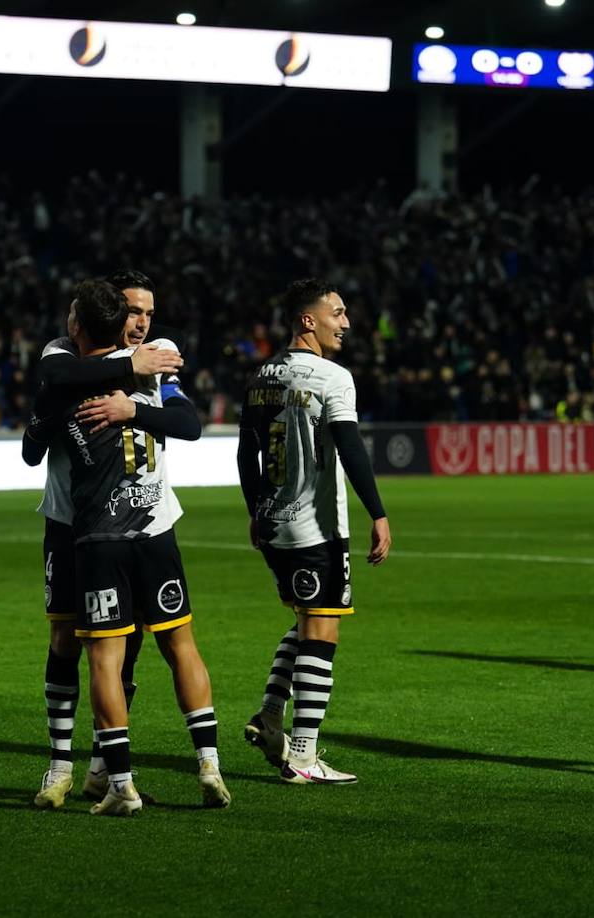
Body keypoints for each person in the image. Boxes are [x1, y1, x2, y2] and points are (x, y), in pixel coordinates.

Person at [31, 279, 228, 816]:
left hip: (127, 526)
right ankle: (61, 765)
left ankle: (106, 769)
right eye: (133, 311)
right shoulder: (64, 353)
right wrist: (130, 369)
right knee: (69, 642)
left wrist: (134, 398)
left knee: (119, 647)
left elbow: (188, 422)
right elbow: (52, 385)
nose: (142, 322)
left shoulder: (153, 358)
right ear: (112, 313)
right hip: (69, 523)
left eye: (149, 313)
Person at [237, 278, 391, 785]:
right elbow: (350, 448)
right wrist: (378, 512)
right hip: (317, 530)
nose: (346, 323)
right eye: (338, 313)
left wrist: (256, 511)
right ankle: (303, 756)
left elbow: (246, 453)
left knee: (307, 621)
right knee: (322, 631)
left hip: (275, 525)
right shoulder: (332, 377)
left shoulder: (262, 374)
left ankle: (271, 715)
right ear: (309, 320)